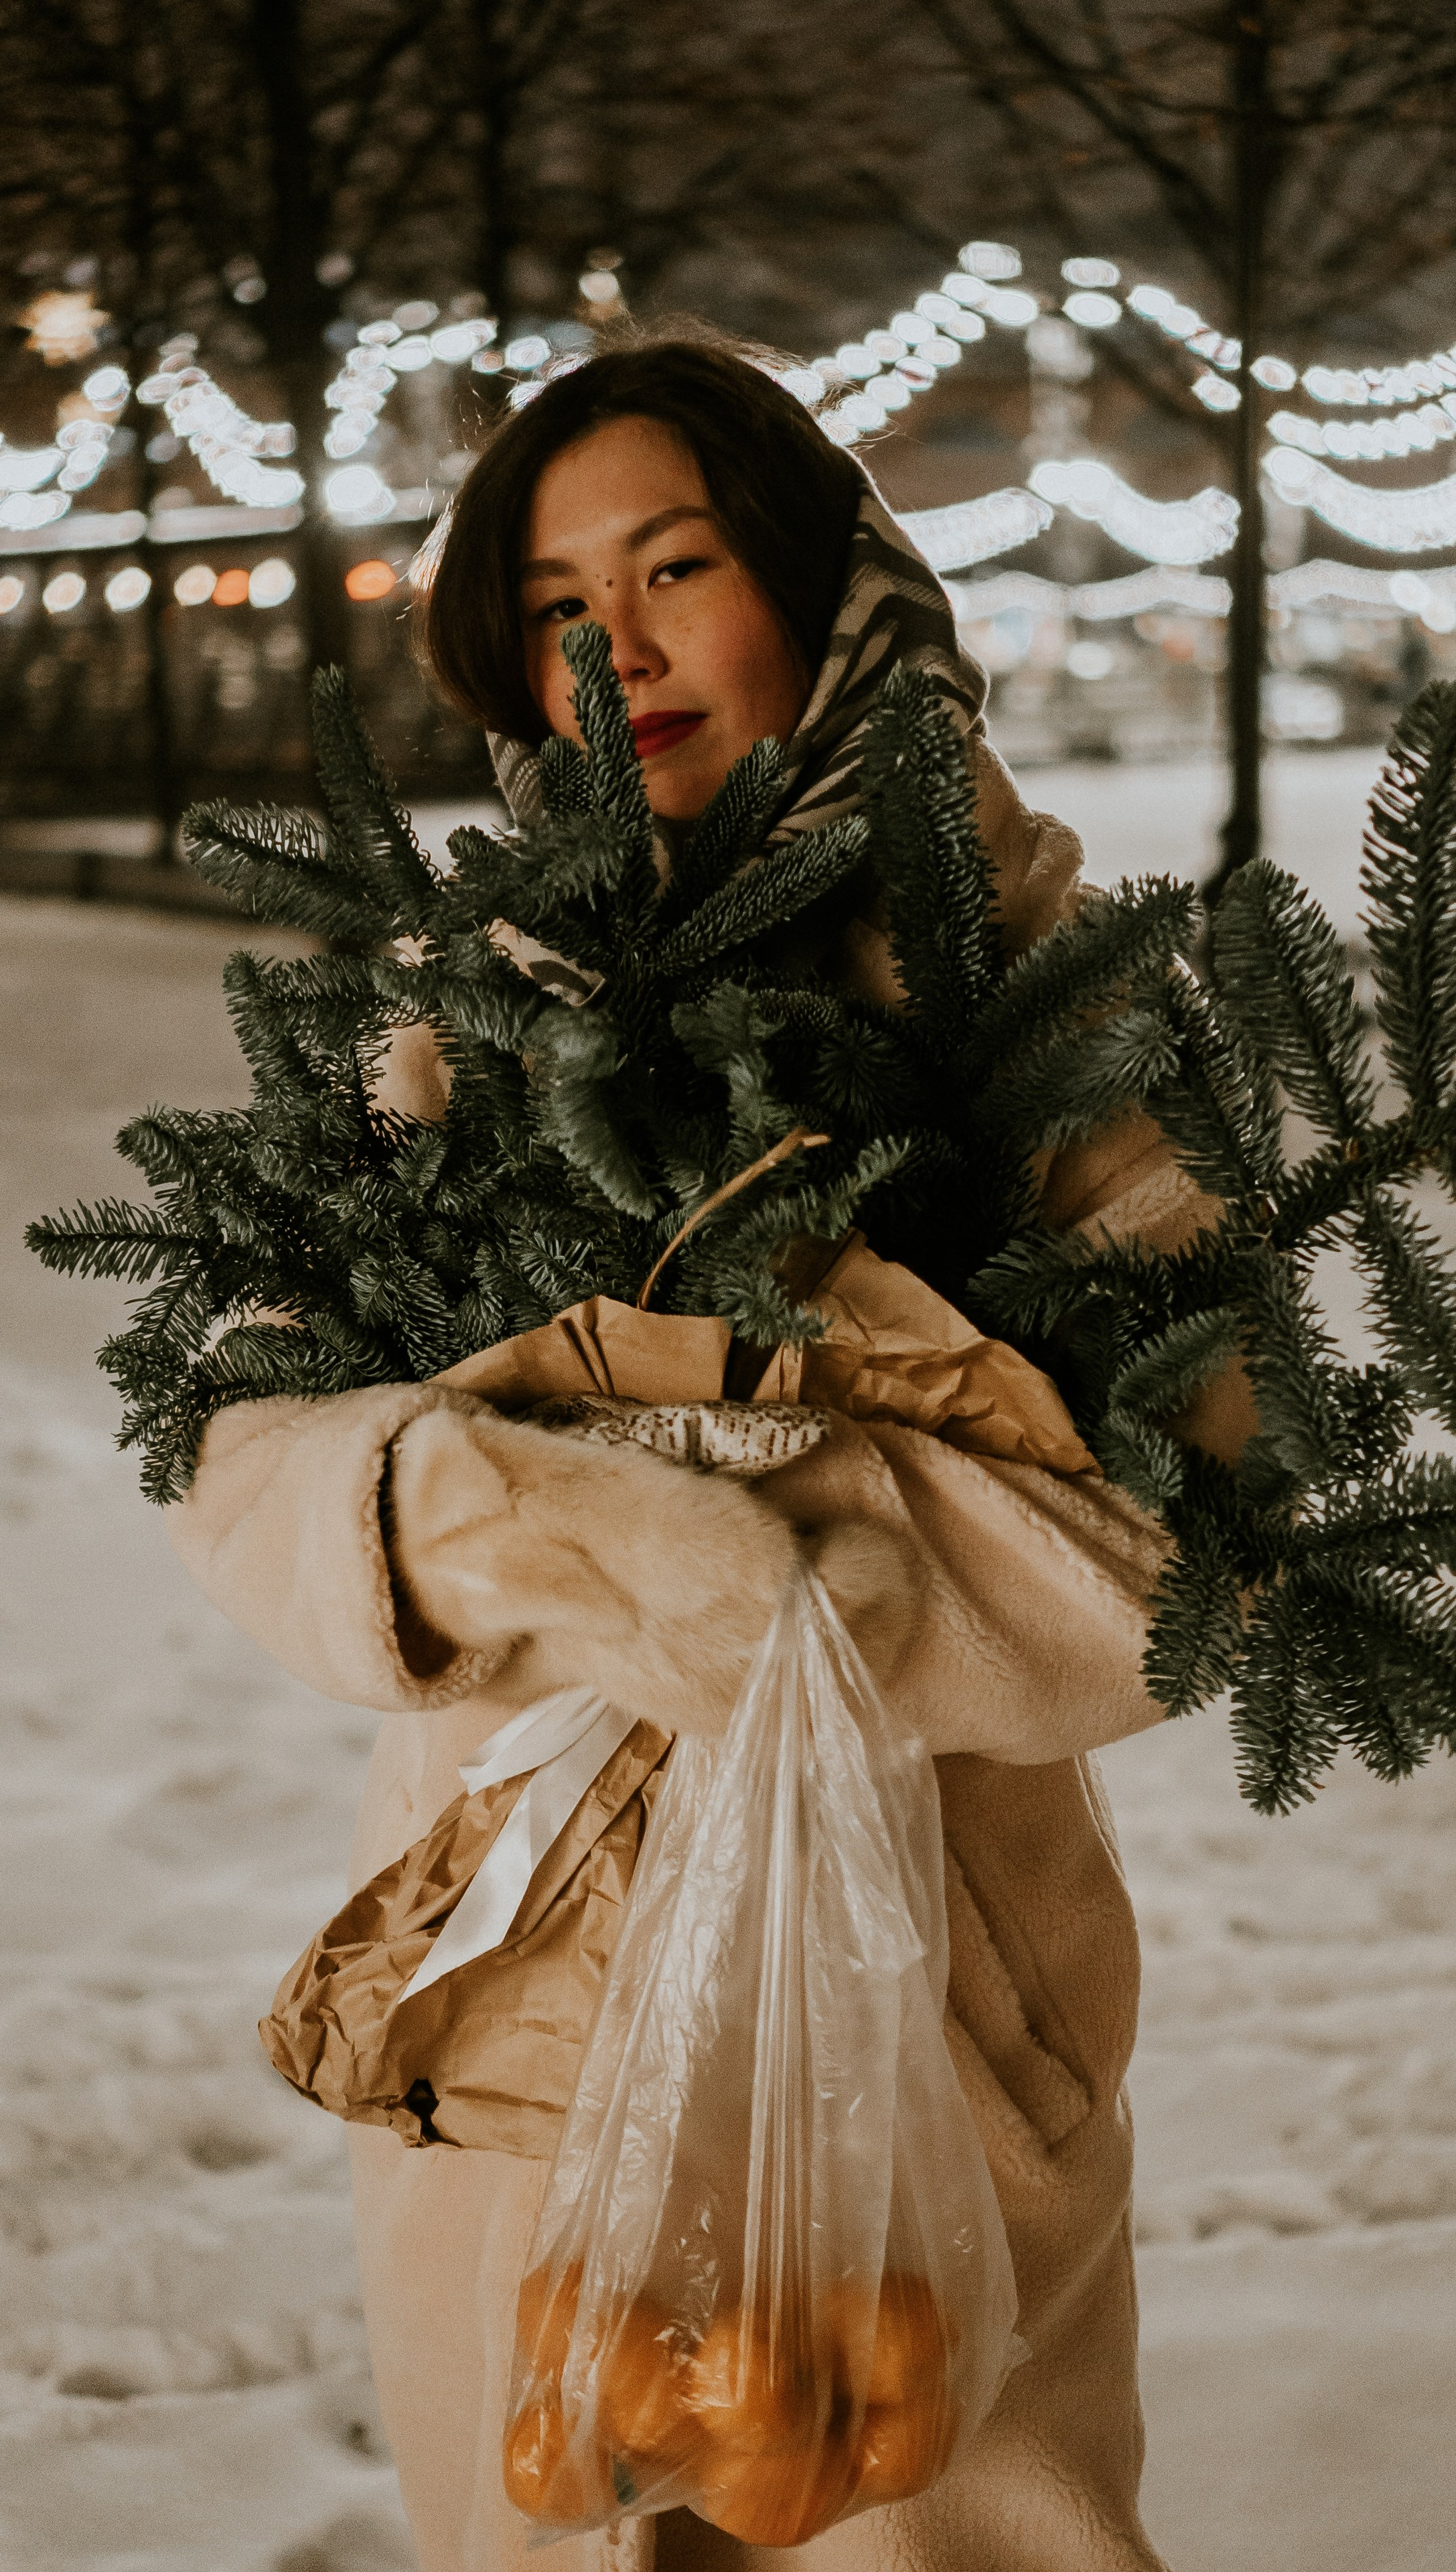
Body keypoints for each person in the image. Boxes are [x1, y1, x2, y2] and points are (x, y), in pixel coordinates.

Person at [168, 331, 1254, 2572]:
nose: (619, 645)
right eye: (561, 601)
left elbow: (1180, 1561)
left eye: (676, 565)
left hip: (918, 2025)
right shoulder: (456, 1017)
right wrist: (463, 1508)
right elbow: (247, 1457)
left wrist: (753, 1541)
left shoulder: (1037, 1000)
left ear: (825, 590)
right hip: (511, 2015)